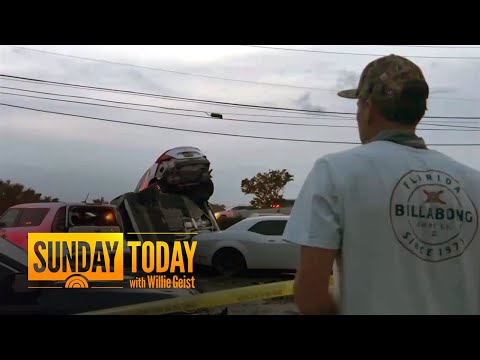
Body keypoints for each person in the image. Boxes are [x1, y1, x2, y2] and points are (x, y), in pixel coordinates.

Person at [283, 54, 480, 315]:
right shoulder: (473, 182)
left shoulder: (334, 172)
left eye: (358, 106)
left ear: (368, 107)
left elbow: (311, 295)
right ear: (419, 111)